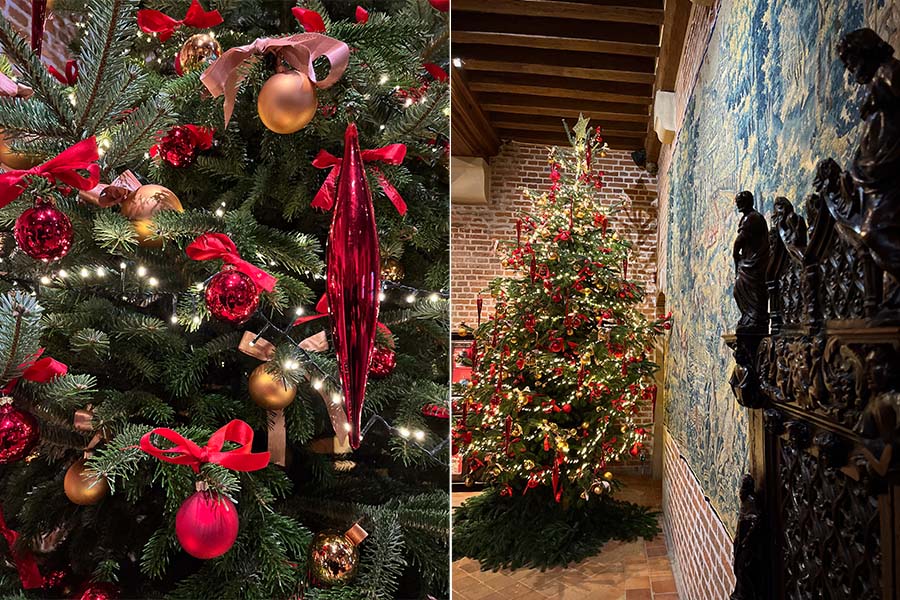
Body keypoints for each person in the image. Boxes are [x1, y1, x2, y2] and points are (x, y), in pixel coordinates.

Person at [732, 191, 769, 332]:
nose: (738, 205)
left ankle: (755, 319)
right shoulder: (748, 217)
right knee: (738, 290)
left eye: (740, 202)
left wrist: (735, 255)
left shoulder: (752, 218)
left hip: (754, 263)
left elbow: (739, 241)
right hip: (748, 262)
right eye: (737, 202)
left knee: (750, 289)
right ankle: (749, 318)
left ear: (748, 202)